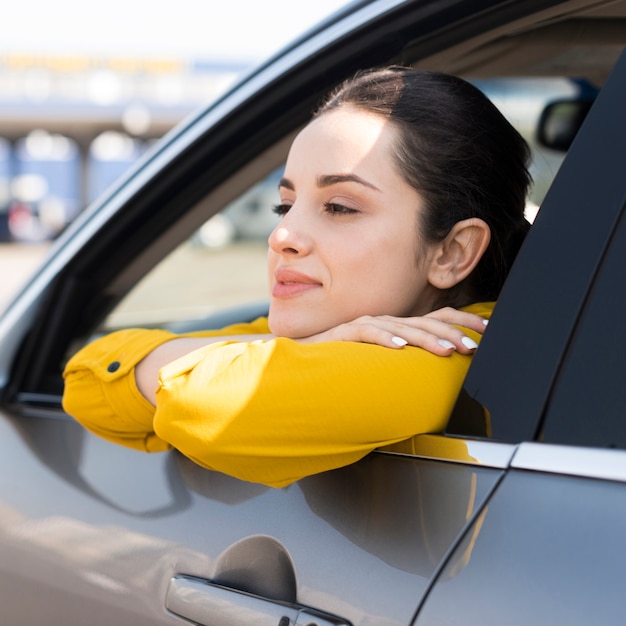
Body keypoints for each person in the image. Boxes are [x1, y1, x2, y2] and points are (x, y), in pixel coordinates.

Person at [63, 67, 531, 488]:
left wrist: (286, 353)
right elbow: (85, 380)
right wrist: (307, 348)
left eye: (340, 207)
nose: (282, 234)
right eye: (285, 205)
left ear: (452, 251)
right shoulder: (339, 327)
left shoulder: (451, 352)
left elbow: (204, 409)